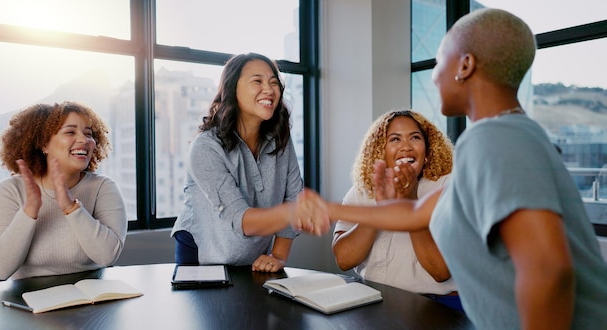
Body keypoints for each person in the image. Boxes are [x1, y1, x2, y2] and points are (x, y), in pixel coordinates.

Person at [294, 8, 607, 329]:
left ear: (465, 65)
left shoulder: (494, 138)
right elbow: (413, 212)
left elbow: (550, 270)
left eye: (440, 59)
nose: (432, 74)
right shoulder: (511, 134)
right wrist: (323, 208)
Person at [170, 52, 302, 272]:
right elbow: (242, 219)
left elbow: (293, 198)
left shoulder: (281, 140)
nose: (269, 90)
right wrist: (299, 212)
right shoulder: (205, 147)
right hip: (203, 257)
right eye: (257, 81)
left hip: (253, 258)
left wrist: (278, 255)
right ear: (232, 89)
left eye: (274, 82)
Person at [332, 109, 462, 311]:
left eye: (415, 138)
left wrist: (410, 202)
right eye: (395, 139)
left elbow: (441, 271)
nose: (406, 147)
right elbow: (344, 259)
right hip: (374, 300)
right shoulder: (361, 191)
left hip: (437, 305)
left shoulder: (447, 186)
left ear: (427, 150)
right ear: (380, 150)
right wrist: (379, 209)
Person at [0, 102, 127, 280]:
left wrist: (71, 208)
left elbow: (107, 256)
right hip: (28, 300)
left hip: (91, 298)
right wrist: (29, 211)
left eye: (89, 134)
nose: (84, 140)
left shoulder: (103, 188)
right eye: (70, 132)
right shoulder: (8, 191)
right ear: (44, 144)